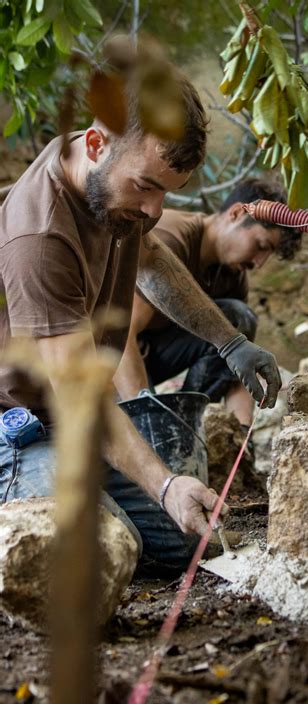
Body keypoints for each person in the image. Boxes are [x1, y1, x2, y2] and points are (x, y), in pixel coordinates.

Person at [0, 67, 281, 575]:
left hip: (70, 422)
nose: (154, 210)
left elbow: (151, 260)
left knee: (186, 547)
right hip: (17, 426)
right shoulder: (39, 236)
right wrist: (166, 483)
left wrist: (230, 342)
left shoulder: (101, 176)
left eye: (167, 194)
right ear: (96, 143)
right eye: (146, 188)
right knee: (101, 554)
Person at [113, 179, 302, 434]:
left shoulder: (233, 277)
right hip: (106, 363)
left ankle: (184, 427)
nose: (259, 263)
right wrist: (150, 423)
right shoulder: (171, 237)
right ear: (236, 214)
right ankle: (167, 430)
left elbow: (235, 368)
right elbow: (120, 338)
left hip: (151, 359)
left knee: (236, 320)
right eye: (260, 246)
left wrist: (242, 430)